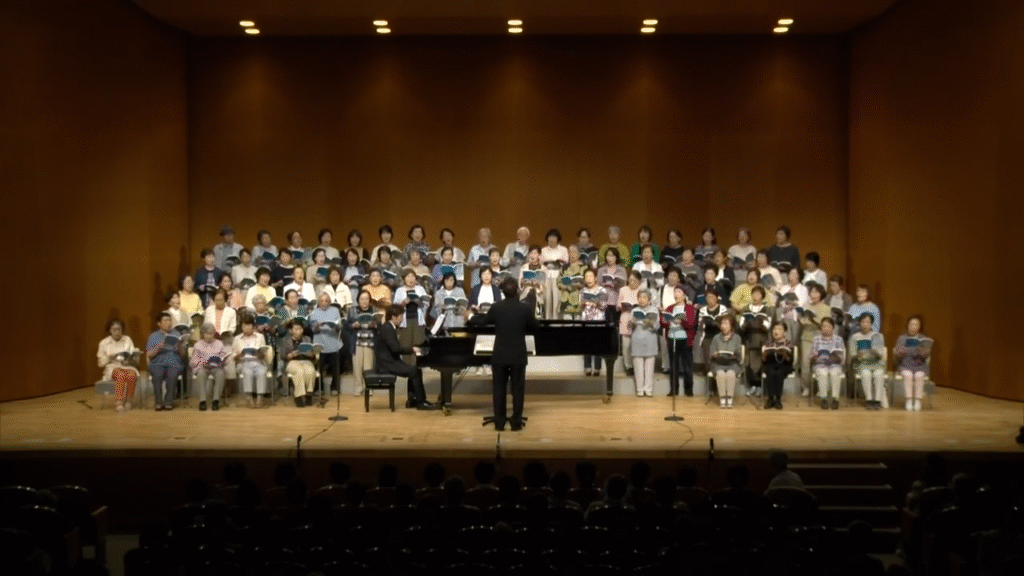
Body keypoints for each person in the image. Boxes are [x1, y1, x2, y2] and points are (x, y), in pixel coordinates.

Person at [467, 277, 540, 430]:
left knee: (499, 390)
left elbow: (482, 322)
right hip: (518, 355)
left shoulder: (496, 307)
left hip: (500, 355)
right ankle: (516, 423)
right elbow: (535, 327)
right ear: (517, 291)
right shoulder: (525, 308)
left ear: (503, 292)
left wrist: (469, 316)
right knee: (517, 390)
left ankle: (499, 423)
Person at [375, 304, 434, 410]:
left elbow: (395, 348)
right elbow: (395, 349)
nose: (402, 320)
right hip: (387, 364)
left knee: (415, 370)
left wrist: (411, 349)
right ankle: (420, 402)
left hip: (390, 361)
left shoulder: (389, 327)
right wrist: (412, 349)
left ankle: (413, 400)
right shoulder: (387, 328)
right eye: (401, 317)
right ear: (394, 317)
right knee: (414, 371)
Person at [661, 285, 697, 396]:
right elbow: (663, 322)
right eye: (675, 292)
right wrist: (666, 320)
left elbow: (691, 323)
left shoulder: (690, 308)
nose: (676, 294)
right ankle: (674, 389)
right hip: (672, 338)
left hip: (685, 339)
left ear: (684, 295)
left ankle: (688, 389)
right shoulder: (670, 308)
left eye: (679, 292)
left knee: (687, 365)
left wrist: (681, 321)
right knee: (673, 365)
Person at [97, 318, 140, 412]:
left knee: (132, 375)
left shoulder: (127, 339)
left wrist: (132, 356)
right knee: (120, 374)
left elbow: (132, 353)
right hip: (112, 366)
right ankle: (119, 402)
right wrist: (109, 357)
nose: (117, 332)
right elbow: (100, 363)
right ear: (110, 330)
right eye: (114, 330)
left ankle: (129, 400)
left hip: (127, 365)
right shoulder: (104, 343)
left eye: (119, 329)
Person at [146, 312, 186, 411]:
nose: (169, 323)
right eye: (166, 321)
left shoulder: (176, 334)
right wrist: (158, 348)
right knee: (158, 375)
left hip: (174, 362)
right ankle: (158, 402)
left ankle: (169, 402)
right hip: (157, 362)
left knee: (172, 375)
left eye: (170, 320)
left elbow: (183, 354)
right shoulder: (153, 336)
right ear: (159, 323)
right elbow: (149, 354)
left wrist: (179, 346)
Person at [799, 283, 832, 396]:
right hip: (806, 337)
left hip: (821, 338)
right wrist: (808, 320)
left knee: (821, 362)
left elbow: (825, 324)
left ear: (821, 294)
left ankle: (820, 388)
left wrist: (813, 320)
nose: (813, 294)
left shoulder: (826, 308)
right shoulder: (806, 306)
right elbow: (803, 322)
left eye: (816, 292)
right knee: (805, 363)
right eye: (812, 292)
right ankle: (806, 387)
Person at [233, 314, 272, 408]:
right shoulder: (237, 339)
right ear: (241, 327)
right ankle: (249, 398)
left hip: (258, 361)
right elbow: (233, 356)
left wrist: (261, 354)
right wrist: (238, 355)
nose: (246, 328)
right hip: (244, 362)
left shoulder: (260, 337)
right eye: (244, 326)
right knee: (248, 372)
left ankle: (259, 398)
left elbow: (263, 352)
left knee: (262, 372)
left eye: (249, 325)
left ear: (253, 326)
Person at [849, 312, 887, 409]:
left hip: (876, 362)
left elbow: (881, 353)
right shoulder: (855, 337)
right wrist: (857, 355)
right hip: (862, 363)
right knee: (866, 374)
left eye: (868, 322)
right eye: (863, 322)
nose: (865, 324)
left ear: (871, 324)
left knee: (878, 374)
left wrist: (875, 352)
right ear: (859, 323)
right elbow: (852, 354)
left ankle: (877, 401)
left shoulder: (878, 336)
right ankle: (869, 400)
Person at [393, 268, 430, 366]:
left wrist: (420, 302)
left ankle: (418, 366)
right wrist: (403, 303)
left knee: (418, 344)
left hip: (418, 320)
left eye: (413, 276)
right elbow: (395, 307)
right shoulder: (400, 290)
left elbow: (426, 303)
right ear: (404, 279)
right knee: (406, 345)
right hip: (405, 321)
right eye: (408, 277)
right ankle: (407, 367)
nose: (411, 279)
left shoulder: (420, 289)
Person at [895, 315, 932, 411]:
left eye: (916, 325)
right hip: (905, 365)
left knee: (919, 375)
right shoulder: (902, 338)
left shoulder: (923, 339)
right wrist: (900, 353)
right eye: (911, 324)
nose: (913, 327)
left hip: (920, 365)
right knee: (908, 375)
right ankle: (909, 399)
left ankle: (918, 400)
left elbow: (926, 356)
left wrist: (922, 352)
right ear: (908, 326)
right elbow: (897, 356)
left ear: (919, 326)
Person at [277, 319, 317, 407]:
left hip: (305, 360)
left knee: (310, 370)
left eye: (300, 329)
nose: (299, 331)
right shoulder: (285, 340)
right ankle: (298, 396)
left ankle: (308, 394)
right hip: (292, 362)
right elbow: (282, 356)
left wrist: (311, 354)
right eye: (296, 329)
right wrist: (290, 355)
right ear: (291, 330)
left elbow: (313, 356)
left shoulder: (307, 339)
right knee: (299, 371)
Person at [739, 285, 773, 391]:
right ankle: (751, 385)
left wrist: (757, 323)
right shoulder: (746, 308)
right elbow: (741, 324)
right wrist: (747, 324)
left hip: (761, 339)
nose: (755, 296)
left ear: (762, 296)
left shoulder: (767, 309)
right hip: (749, 338)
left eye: (758, 294)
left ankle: (760, 386)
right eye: (754, 293)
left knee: (760, 362)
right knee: (749, 362)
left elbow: (768, 325)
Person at [190, 323, 229, 411]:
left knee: (220, 373)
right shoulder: (198, 344)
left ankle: (216, 400)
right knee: (201, 373)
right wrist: (202, 363)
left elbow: (223, 356)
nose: (209, 336)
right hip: (203, 367)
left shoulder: (219, 343)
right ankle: (202, 401)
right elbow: (193, 361)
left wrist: (223, 360)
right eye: (207, 334)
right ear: (203, 334)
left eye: (211, 333)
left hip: (216, 367)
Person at [310, 292, 344, 395]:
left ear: (329, 302)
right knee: (319, 367)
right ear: (318, 302)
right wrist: (317, 326)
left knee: (335, 368)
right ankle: (319, 388)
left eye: (326, 301)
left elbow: (339, 327)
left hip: (333, 342)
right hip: (320, 342)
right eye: (321, 301)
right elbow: (313, 330)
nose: (324, 303)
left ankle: (335, 388)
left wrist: (335, 326)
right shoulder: (314, 312)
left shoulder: (335, 310)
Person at [628, 289, 660, 397]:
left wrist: (651, 323)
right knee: (638, 368)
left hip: (650, 340)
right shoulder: (634, 311)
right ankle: (640, 389)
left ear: (649, 299)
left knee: (649, 368)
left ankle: (648, 389)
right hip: (637, 340)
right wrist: (632, 323)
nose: (642, 300)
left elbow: (657, 326)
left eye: (644, 297)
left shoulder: (654, 310)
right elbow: (629, 327)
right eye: (640, 297)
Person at [348, 290, 378, 396]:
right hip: (357, 342)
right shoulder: (352, 310)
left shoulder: (374, 310)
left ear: (369, 300)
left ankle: (369, 387)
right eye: (362, 299)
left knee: (368, 366)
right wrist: (353, 325)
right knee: (357, 366)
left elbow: (379, 325)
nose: (364, 301)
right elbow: (347, 326)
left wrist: (375, 325)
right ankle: (358, 387)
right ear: (358, 300)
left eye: (366, 299)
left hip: (370, 341)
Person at [812, 317, 846, 409]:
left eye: (828, 326)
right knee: (822, 373)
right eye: (824, 326)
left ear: (833, 328)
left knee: (835, 373)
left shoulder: (838, 339)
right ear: (821, 328)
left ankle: (835, 399)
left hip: (834, 364)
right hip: (820, 364)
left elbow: (841, 356)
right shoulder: (816, 339)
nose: (826, 328)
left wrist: (835, 356)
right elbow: (812, 354)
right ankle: (824, 399)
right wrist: (815, 356)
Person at [710, 315, 743, 408]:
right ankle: (722, 398)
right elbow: (712, 351)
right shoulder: (716, 337)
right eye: (722, 323)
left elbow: (738, 352)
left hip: (732, 363)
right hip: (719, 363)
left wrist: (734, 354)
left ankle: (729, 398)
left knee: (730, 374)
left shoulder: (737, 338)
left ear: (731, 326)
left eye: (726, 323)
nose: (724, 326)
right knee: (720, 374)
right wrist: (714, 354)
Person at [579, 269, 607, 376]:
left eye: (591, 276)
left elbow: (604, 306)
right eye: (586, 277)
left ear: (595, 278)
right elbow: (581, 306)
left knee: (598, 344)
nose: (589, 279)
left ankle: (597, 368)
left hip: (598, 320)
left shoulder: (602, 290)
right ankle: (587, 367)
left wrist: (598, 302)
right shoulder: (583, 291)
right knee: (587, 344)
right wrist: (582, 303)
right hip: (586, 320)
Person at [762, 322, 794, 409]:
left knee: (779, 372)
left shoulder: (789, 343)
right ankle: (770, 398)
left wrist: (785, 354)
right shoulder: (768, 343)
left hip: (784, 365)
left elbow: (791, 360)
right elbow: (763, 360)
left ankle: (778, 399)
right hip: (770, 364)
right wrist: (765, 354)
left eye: (779, 329)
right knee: (771, 372)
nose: (776, 331)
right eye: (775, 329)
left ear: (784, 332)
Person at [617, 270, 642, 377]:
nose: (632, 283)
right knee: (626, 345)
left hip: (638, 320)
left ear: (639, 281)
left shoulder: (642, 290)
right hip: (626, 318)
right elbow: (618, 305)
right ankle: (628, 366)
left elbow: (647, 305)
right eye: (630, 280)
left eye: (635, 281)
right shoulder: (623, 290)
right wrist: (623, 306)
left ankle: (637, 366)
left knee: (637, 345)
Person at [540, 229, 569, 319]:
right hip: (546, 276)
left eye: (554, 237)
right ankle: (547, 320)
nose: (552, 239)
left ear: (558, 239)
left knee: (557, 299)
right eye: (550, 237)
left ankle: (557, 322)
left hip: (558, 276)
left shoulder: (563, 249)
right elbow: (540, 263)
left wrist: (559, 262)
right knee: (547, 300)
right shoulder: (543, 250)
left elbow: (566, 262)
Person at [697, 290, 728, 371]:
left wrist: (716, 323)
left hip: (720, 335)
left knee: (720, 357)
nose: (710, 299)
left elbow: (726, 323)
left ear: (716, 298)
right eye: (708, 297)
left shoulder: (722, 308)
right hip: (707, 335)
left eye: (712, 297)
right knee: (708, 358)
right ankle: (709, 372)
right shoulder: (703, 310)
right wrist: (707, 323)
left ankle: (719, 373)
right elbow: (700, 324)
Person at [596, 247, 627, 320]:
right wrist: (605, 284)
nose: (610, 258)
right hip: (604, 300)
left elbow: (624, 285)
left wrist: (616, 285)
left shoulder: (622, 270)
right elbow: (598, 285)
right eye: (608, 256)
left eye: (612, 256)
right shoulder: (601, 270)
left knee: (616, 322)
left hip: (616, 299)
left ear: (616, 257)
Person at [558, 245, 587, 319]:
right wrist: (563, 286)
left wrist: (581, 285)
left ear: (579, 254)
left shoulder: (584, 267)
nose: (572, 254)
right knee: (567, 323)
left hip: (579, 299)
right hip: (566, 299)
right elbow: (558, 282)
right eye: (570, 252)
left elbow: (588, 282)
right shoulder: (564, 267)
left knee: (578, 322)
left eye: (574, 252)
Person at [518, 245, 545, 316]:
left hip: (538, 296)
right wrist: (524, 282)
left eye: (535, 253)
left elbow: (545, 284)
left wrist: (538, 283)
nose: (533, 255)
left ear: (539, 255)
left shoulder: (543, 268)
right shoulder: (524, 267)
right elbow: (520, 282)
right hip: (526, 294)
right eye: (531, 253)